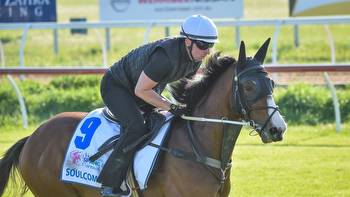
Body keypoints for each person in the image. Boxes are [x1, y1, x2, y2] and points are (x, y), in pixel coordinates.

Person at [98, 14, 218, 196]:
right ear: (188, 41)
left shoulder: (195, 58)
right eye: (203, 45)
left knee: (162, 122)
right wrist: (170, 106)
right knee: (136, 127)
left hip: (141, 88)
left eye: (210, 45)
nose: (207, 51)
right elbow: (141, 91)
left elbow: (186, 91)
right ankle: (110, 184)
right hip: (117, 87)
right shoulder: (165, 57)